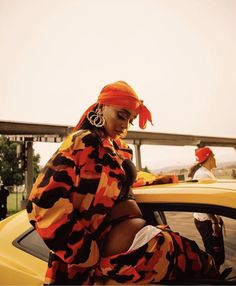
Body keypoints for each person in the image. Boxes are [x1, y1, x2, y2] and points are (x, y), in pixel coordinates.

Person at [27, 81, 220, 285]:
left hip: (137, 245)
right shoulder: (83, 142)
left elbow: (114, 183)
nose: (125, 125)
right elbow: (42, 200)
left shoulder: (117, 147)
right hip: (112, 256)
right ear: (101, 107)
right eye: (121, 115)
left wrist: (161, 180)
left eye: (131, 120)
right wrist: (83, 252)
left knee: (204, 265)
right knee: (204, 266)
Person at [189, 146, 225, 270]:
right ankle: (214, 279)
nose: (215, 158)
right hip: (208, 221)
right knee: (215, 255)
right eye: (213, 156)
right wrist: (215, 222)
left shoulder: (205, 173)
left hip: (207, 220)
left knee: (216, 255)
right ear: (209, 157)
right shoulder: (203, 175)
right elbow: (205, 202)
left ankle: (215, 276)